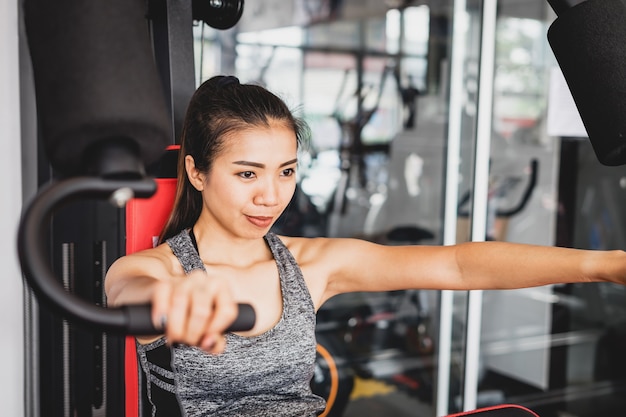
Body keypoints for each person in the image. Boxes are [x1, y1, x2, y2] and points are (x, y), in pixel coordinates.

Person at [104, 75, 626, 417]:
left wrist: (607, 266)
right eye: (247, 174)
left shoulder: (310, 266)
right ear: (196, 171)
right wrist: (175, 301)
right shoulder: (156, 269)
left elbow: (460, 266)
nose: (271, 196)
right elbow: (131, 291)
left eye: (286, 172)